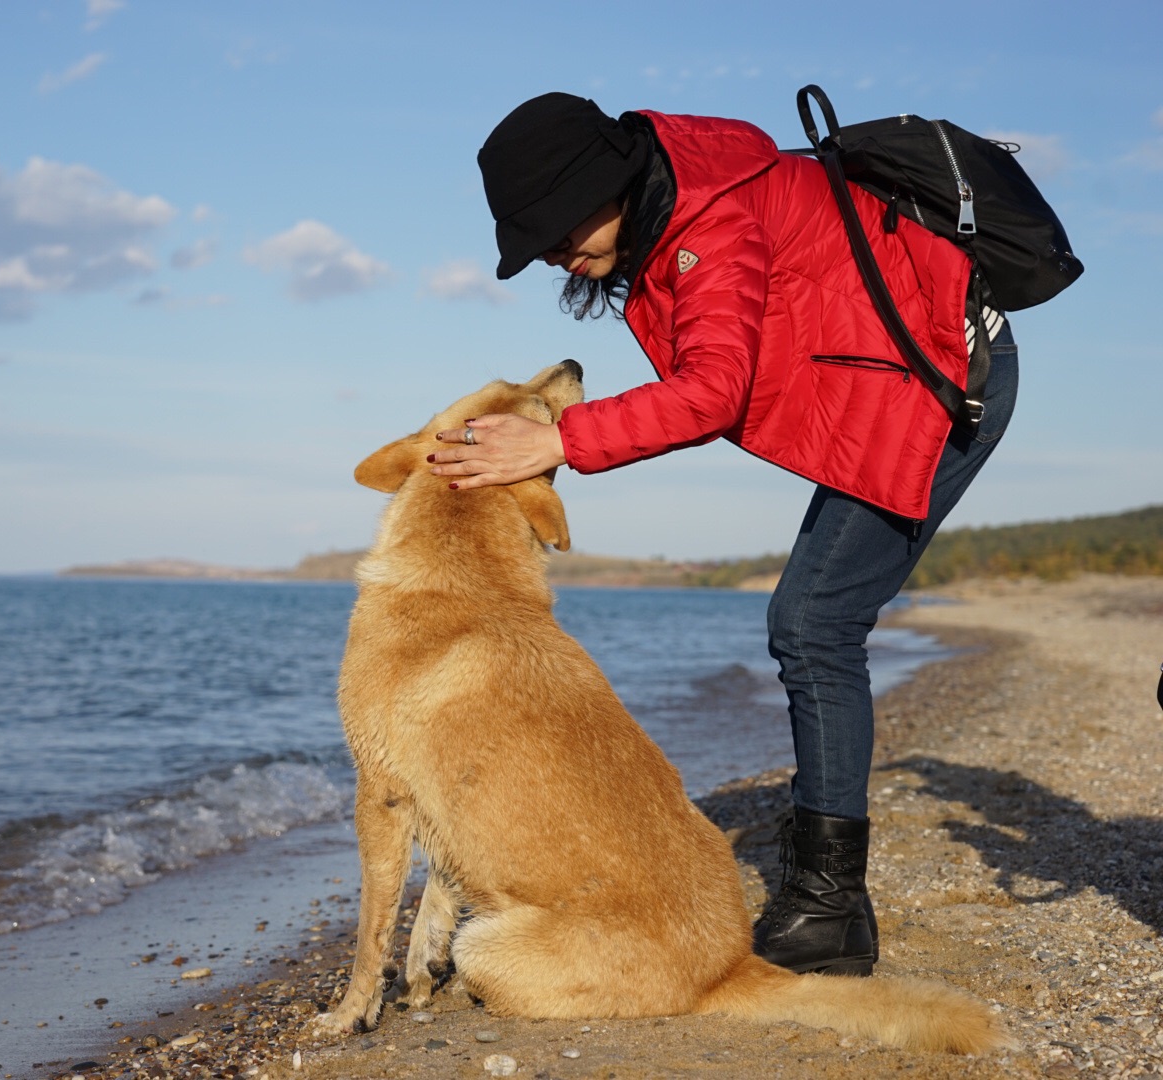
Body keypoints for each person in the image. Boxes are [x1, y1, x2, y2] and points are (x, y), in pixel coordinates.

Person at [430, 93, 1019, 977]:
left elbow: (714, 392)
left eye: (557, 229)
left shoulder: (710, 220)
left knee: (813, 624)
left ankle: (828, 905)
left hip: (942, 378)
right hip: (898, 379)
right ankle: (831, 902)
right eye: (536, 242)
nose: (556, 253)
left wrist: (556, 440)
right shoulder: (682, 206)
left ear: (610, 183)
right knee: (813, 624)